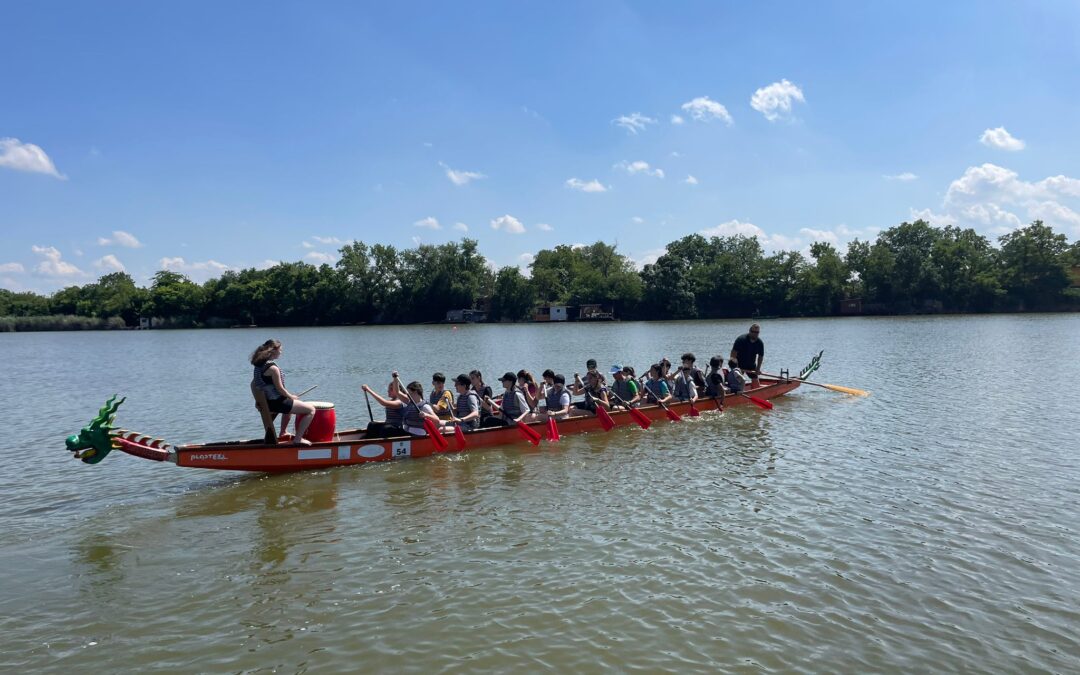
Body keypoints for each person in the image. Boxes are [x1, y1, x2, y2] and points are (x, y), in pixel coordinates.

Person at [250, 339, 316, 445]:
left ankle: (283, 432)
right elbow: (280, 389)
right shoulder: (273, 368)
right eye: (280, 350)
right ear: (273, 351)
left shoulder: (258, 366)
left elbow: (253, 385)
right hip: (277, 403)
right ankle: (298, 439)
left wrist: (258, 401)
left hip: (267, 403)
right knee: (311, 410)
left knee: (289, 403)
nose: (281, 352)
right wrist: (291, 396)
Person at [361, 372, 406, 438]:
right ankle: (366, 442)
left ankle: (380, 444)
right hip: (389, 425)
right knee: (372, 424)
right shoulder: (392, 400)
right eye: (388, 388)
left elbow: (384, 403)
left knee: (386, 429)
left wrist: (369, 390)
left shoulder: (399, 402)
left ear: (397, 391)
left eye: (391, 389)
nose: (388, 390)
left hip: (398, 428)